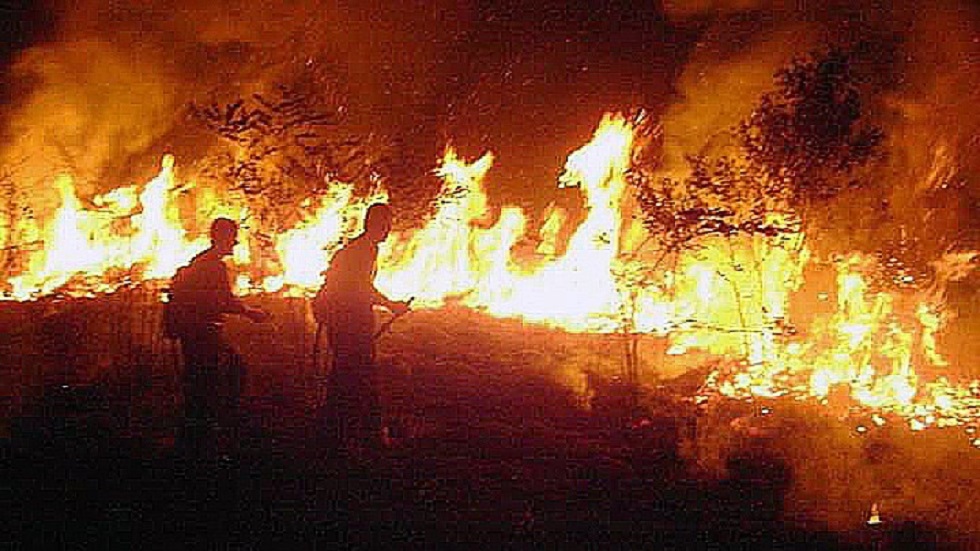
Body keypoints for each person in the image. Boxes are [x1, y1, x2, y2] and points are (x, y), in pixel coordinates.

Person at [167, 217, 269, 457]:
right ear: (222, 238)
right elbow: (223, 301)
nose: (235, 243)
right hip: (202, 332)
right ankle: (205, 435)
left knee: (204, 379)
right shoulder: (212, 266)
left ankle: (198, 433)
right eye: (232, 237)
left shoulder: (202, 261)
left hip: (196, 331)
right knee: (218, 376)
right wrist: (251, 313)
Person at [315, 203, 409, 454]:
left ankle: (333, 431)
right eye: (385, 224)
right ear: (374, 224)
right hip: (349, 322)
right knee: (362, 376)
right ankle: (369, 436)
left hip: (346, 321)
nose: (388, 229)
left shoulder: (361, 248)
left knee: (344, 376)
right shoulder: (363, 251)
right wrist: (390, 305)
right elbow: (361, 288)